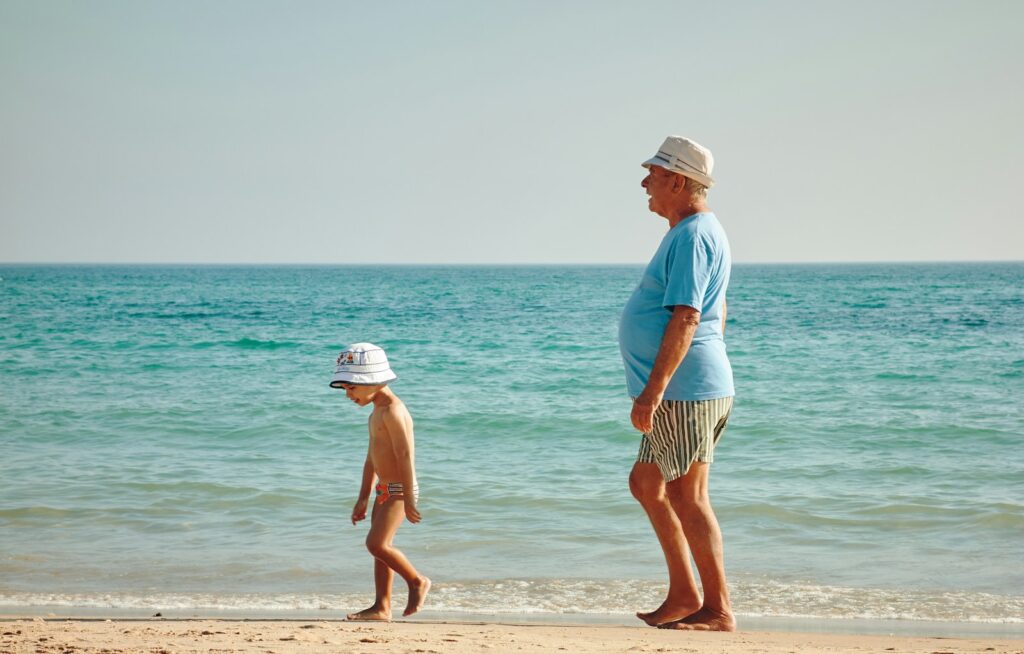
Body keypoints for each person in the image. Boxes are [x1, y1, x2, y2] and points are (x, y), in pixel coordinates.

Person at [618, 136, 736, 631]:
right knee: (647, 483)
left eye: (653, 172)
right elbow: (719, 310)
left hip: (684, 391)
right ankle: (685, 595)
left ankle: (717, 608)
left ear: (678, 180)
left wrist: (655, 389)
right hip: (687, 386)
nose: (645, 181)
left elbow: (688, 316)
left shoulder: (693, 235)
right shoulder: (689, 232)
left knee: (687, 496)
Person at [330, 342, 431, 621]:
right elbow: (371, 459)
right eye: (345, 389)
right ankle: (381, 606)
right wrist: (363, 497)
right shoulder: (376, 412)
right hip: (383, 489)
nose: (348, 394)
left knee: (376, 544)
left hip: (399, 490)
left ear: (372, 381)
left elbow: (405, 455)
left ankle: (417, 581)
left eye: (351, 387)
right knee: (380, 551)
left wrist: (409, 497)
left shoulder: (393, 411)